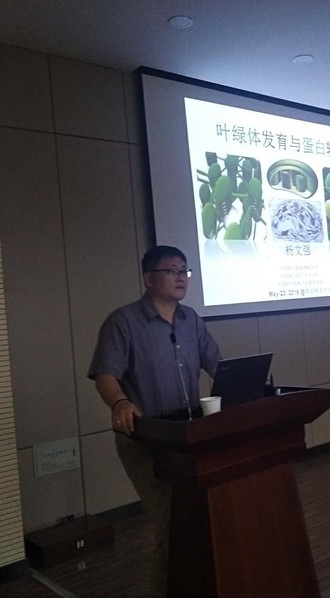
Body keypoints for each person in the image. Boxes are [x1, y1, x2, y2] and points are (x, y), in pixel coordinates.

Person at [88, 245, 221, 597]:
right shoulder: (123, 322)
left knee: (196, 517)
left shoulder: (192, 319)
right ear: (149, 278)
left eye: (184, 271)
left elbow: (217, 365)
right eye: (171, 270)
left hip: (187, 437)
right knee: (174, 520)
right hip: (146, 441)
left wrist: (245, 387)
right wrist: (119, 402)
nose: (181, 277)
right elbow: (105, 375)